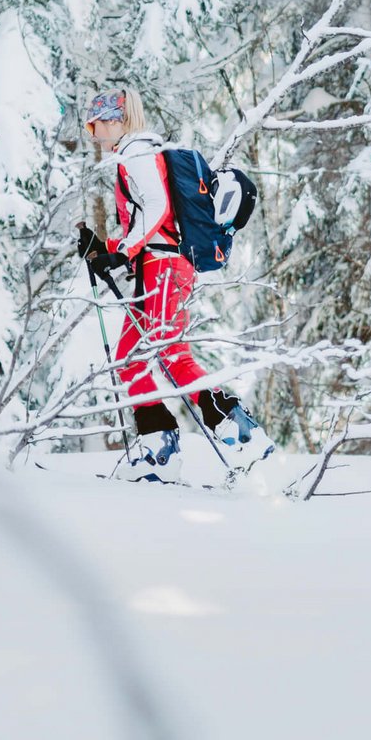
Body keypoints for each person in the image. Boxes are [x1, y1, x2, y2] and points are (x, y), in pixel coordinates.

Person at [75, 88, 263, 477]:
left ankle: (241, 432)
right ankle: (159, 448)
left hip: (163, 266)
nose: (94, 134)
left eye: (97, 124)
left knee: (172, 354)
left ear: (118, 120)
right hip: (157, 265)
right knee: (130, 357)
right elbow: (150, 221)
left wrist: (122, 252)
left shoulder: (138, 153)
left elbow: (157, 210)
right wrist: (105, 247)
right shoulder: (136, 154)